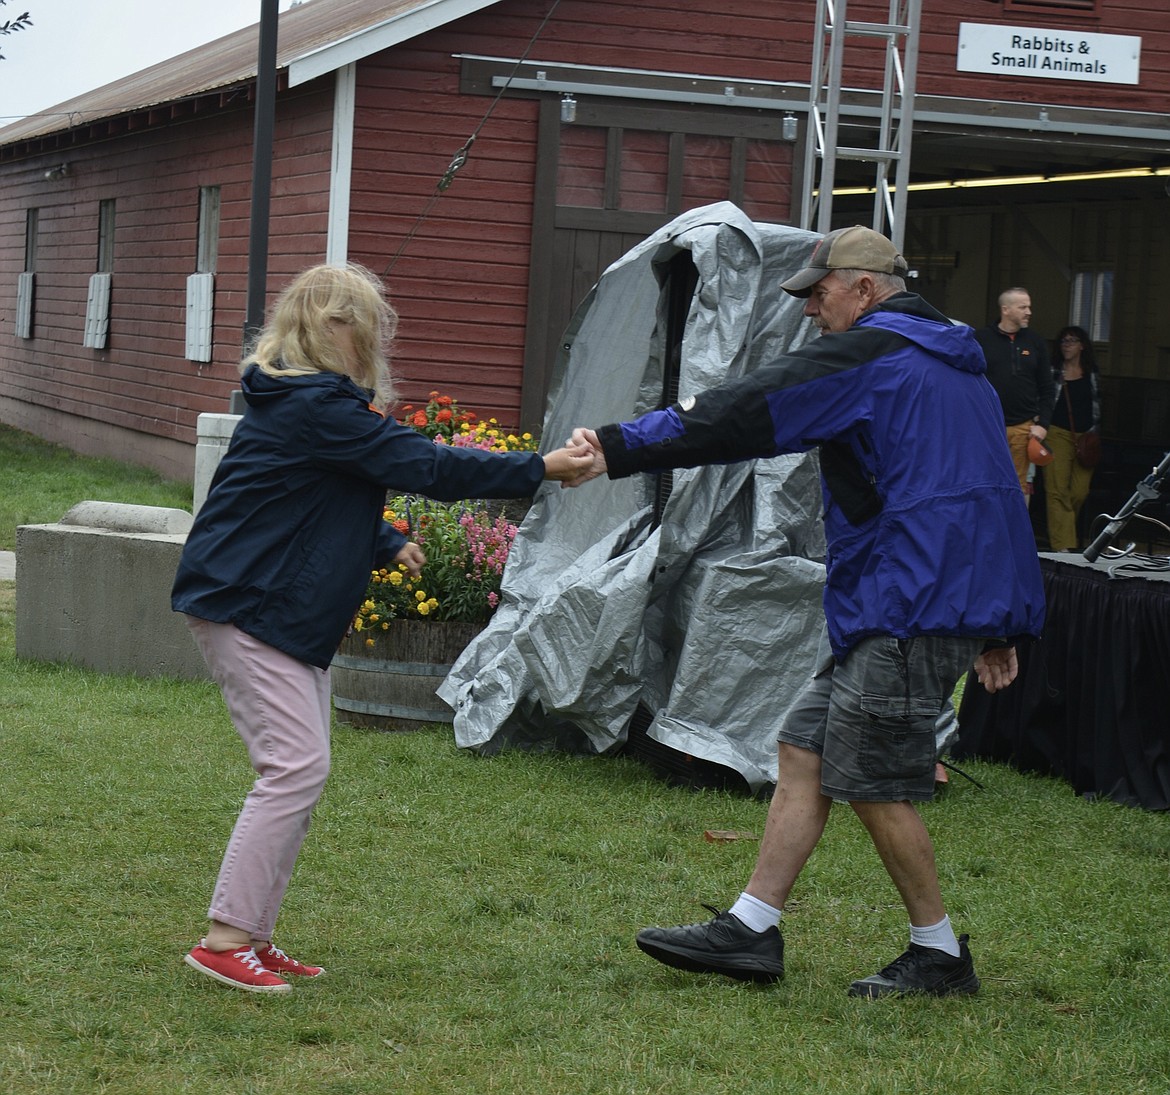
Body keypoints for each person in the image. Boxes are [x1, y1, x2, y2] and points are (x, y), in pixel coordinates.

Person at [564, 226, 1045, 997]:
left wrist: (618, 447)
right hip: (922, 598)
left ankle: (940, 954)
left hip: (904, 603)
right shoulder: (959, 368)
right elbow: (990, 495)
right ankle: (751, 929)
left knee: (874, 777)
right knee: (806, 749)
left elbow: (743, 409)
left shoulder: (871, 357)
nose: (810, 312)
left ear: (864, 288)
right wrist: (998, 621)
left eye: (818, 295)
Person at [172, 262, 593, 994]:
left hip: (271, 607)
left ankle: (252, 935)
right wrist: (543, 467)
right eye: (351, 321)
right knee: (295, 768)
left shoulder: (308, 407)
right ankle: (225, 938)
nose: (364, 336)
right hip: (250, 605)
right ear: (320, 330)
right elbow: (424, 464)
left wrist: (382, 539)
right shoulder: (314, 407)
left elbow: (314, 490)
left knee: (301, 770)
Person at [974, 287, 1055, 504]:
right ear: (1006, 310)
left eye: (1029, 307)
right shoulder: (980, 339)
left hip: (1024, 429)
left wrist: (1043, 425)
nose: (1029, 311)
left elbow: (1048, 388)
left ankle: (1015, 537)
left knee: (1018, 490)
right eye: (1023, 307)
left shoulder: (1036, 342)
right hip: (988, 427)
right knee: (984, 484)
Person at [1044, 325, 1101, 551]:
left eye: (1072, 341)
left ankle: (1063, 533)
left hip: (1085, 437)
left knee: (1079, 491)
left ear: (1082, 346)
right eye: (1064, 341)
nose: (1067, 345)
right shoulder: (1053, 371)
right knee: (1057, 490)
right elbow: (1045, 399)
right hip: (1056, 433)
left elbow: (1097, 405)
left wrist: (1096, 433)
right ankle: (1064, 546)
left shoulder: (1091, 373)